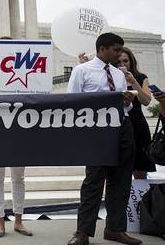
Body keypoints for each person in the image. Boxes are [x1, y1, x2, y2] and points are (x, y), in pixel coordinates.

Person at [66, 33, 140, 245]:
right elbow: (72, 102)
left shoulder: (118, 74)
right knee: (94, 181)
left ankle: (115, 229)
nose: (119, 54)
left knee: (122, 181)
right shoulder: (82, 71)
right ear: (103, 48)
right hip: (96, 129)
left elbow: (127, 106)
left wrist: (126, 100)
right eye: (116, 50)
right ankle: (82, 233)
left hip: (122, 127)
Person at [0, 36, 31, 238]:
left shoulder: (27, 72)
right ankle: (0, 221)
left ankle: (19, 221)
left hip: (19, 130)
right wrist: (3, 83)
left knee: (18, 178)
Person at [117, 47, 155, 179]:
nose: (122, 65)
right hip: (118, 123)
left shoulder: (141, 77)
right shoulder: (111, 78)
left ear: (131, 62)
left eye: (125, 61)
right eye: (118, 62)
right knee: (119, 170)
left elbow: (146, 101)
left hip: (138, 124)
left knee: (140, 168)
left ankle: (141, 199)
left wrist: (133, 82)